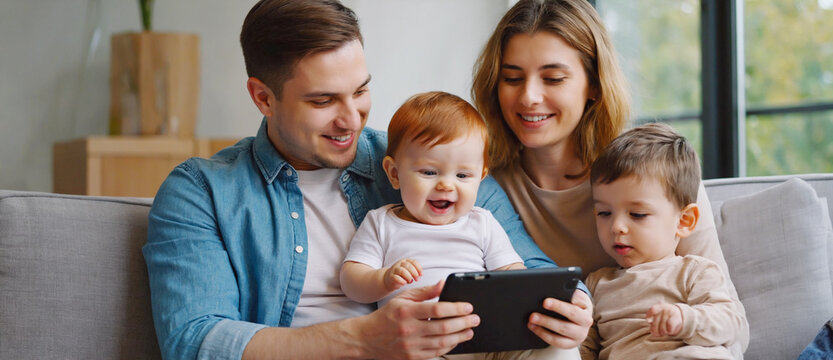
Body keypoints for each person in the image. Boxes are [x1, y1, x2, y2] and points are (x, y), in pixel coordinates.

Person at [143, 1, 571, 359]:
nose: (351, 119)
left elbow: (532, 270)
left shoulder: (424, 159)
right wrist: (365, 338)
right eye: (323, 100)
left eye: (361, 91)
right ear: (263, 97)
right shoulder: (202, 191)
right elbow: (195, 339)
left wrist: (572, 309)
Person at [471, 0, 749, 356]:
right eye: (512, 78)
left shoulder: (653, 173)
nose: (529, 97)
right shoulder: (477, 185)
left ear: (594, 85)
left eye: (553, 78)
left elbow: (734, 331)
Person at [340, 91, 526, 307]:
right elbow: (351, 281)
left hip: (474, 329)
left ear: (480, 179)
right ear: (394, 173)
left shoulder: (482, 223)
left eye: (462, 176)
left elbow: (511, 272)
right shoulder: (381, 223)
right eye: (429, 172)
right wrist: (384, 279)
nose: (446, 185)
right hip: (406, 334)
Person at [579, 123, 744, 359]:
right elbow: (585, 349)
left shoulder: (694, 271)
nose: (616, 227)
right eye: (604, 213)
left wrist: (685, 319)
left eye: (637, 215)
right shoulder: (597, 283)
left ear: (684, 221)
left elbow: (731, 322)